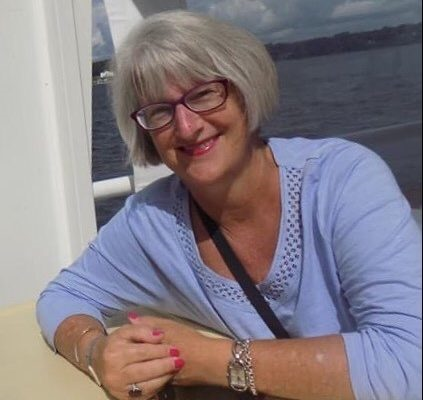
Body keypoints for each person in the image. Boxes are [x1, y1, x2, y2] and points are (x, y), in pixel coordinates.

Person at [36, 10, 422, 400]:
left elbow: (410, 362)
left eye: (203, 95)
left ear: (244, 92)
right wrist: (95, 352)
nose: (187, 126)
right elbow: (62, 296)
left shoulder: (343, 181)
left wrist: (209, 360)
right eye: (159, 112)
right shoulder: (151, 222)